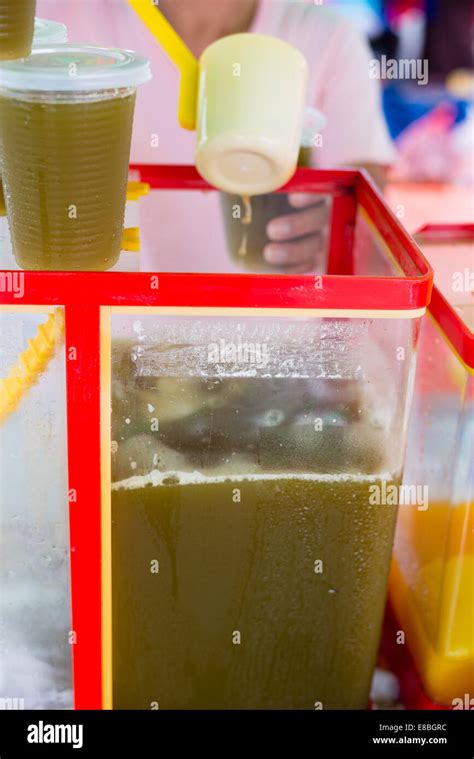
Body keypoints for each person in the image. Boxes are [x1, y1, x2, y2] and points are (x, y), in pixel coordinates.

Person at [37, 0, 395, 272]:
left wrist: (341, 230)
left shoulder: (328, 36)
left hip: (279, 348)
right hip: (99, 343)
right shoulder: (48, 21)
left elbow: (372, 228)